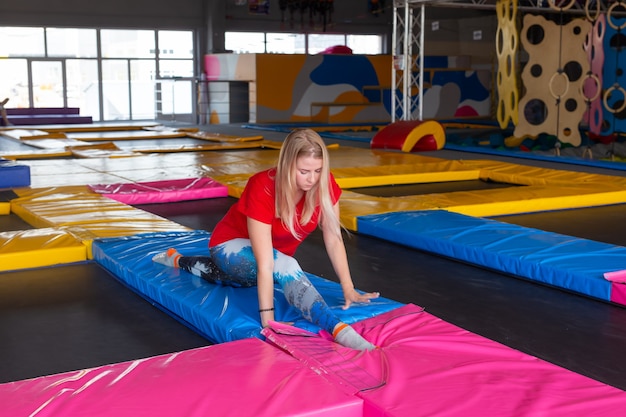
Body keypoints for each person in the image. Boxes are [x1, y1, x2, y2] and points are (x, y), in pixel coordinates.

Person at [152, 128, 380, 350]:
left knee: (229, 278)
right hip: (228, 246)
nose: (312, 179)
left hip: (261, 259)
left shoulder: (324, 185)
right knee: (285, 265)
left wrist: (348, 289)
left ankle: (177, 260)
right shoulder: (263, 186)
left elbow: (333, 238)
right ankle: (338, 329)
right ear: (287, 165)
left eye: (318, 170)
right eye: (304, 171)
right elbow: (265, 263)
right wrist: (268, 319)